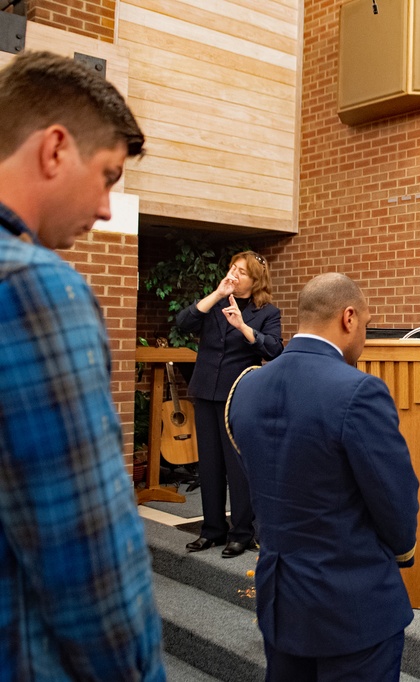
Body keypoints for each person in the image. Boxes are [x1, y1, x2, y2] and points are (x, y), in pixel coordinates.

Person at [0, 52, 164, 680]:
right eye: (108, 176)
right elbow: (87, 553)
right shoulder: (35, 288)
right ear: (55, 149)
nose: (104, 208)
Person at [226, 273, 419, 681]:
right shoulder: (359, 391)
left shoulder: (246, 387)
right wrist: (403, 550)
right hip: (349, 601)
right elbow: (395, 498)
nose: (363, 338)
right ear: (348, 318)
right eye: (365, 326)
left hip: (280, 598)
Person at [176, 251, 282, 557]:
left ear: (255, 280)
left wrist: (243, 328)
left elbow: (274, 350)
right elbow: (183, 322)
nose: (233, 275)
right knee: (208, 465)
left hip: (238, 396)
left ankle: (241, 533)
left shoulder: (267, 312)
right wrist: (217, 294)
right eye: (232, 268)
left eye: (241, 272)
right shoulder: (214, 304)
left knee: (237, 467)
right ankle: (211, 530)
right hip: (205, 391)